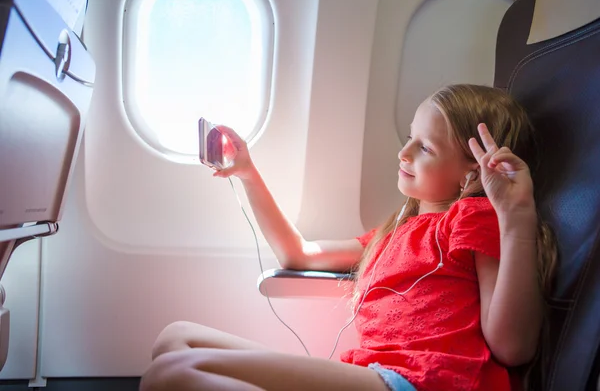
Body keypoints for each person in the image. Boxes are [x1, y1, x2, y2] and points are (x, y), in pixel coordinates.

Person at [139, 84, 557, 391]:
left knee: (172, 375)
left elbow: (512, 348)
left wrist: (516, 217)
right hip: (372, 376)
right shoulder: (393, 233)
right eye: (409, 136)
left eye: (425, 147)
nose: (404, 151)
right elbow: (298, 254)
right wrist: (248, 172)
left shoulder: (470, 217)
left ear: (471, 173)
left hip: (424, 380)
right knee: (175, 337)